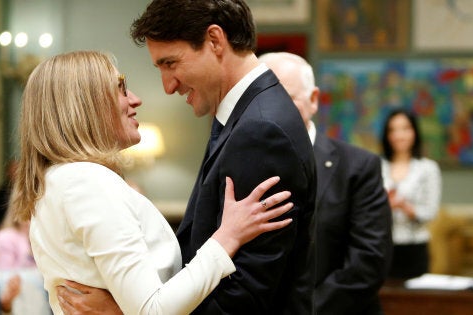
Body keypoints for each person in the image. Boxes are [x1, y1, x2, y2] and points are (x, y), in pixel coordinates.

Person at [57, 1, 319, 314]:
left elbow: (242, 299)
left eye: (171, 64)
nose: (168, 87)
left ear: (215, 41)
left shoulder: (261, 130)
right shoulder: (246, 116)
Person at [9, 50, 295, 315]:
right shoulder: (86, 183)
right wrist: (226, 238)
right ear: (85, 105)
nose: (135, 99)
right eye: (120, 89)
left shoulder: (58, 180)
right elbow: (153, 309)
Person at [259, 52, 393, 315]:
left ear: (313, 100)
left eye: (285, 98)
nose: (271, 109)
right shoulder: (239, 164)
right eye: (261, 99)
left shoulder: (358, 167)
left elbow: (367, 263)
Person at [380, 109, 442, 279]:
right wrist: (385, 205)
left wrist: (403, 206)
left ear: (414, 132)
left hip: (415, 247)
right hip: (381, 245)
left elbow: (430, 212)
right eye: (393, 130)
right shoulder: (377, 166)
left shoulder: (427, 168)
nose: (399, 135)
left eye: (405, 128)